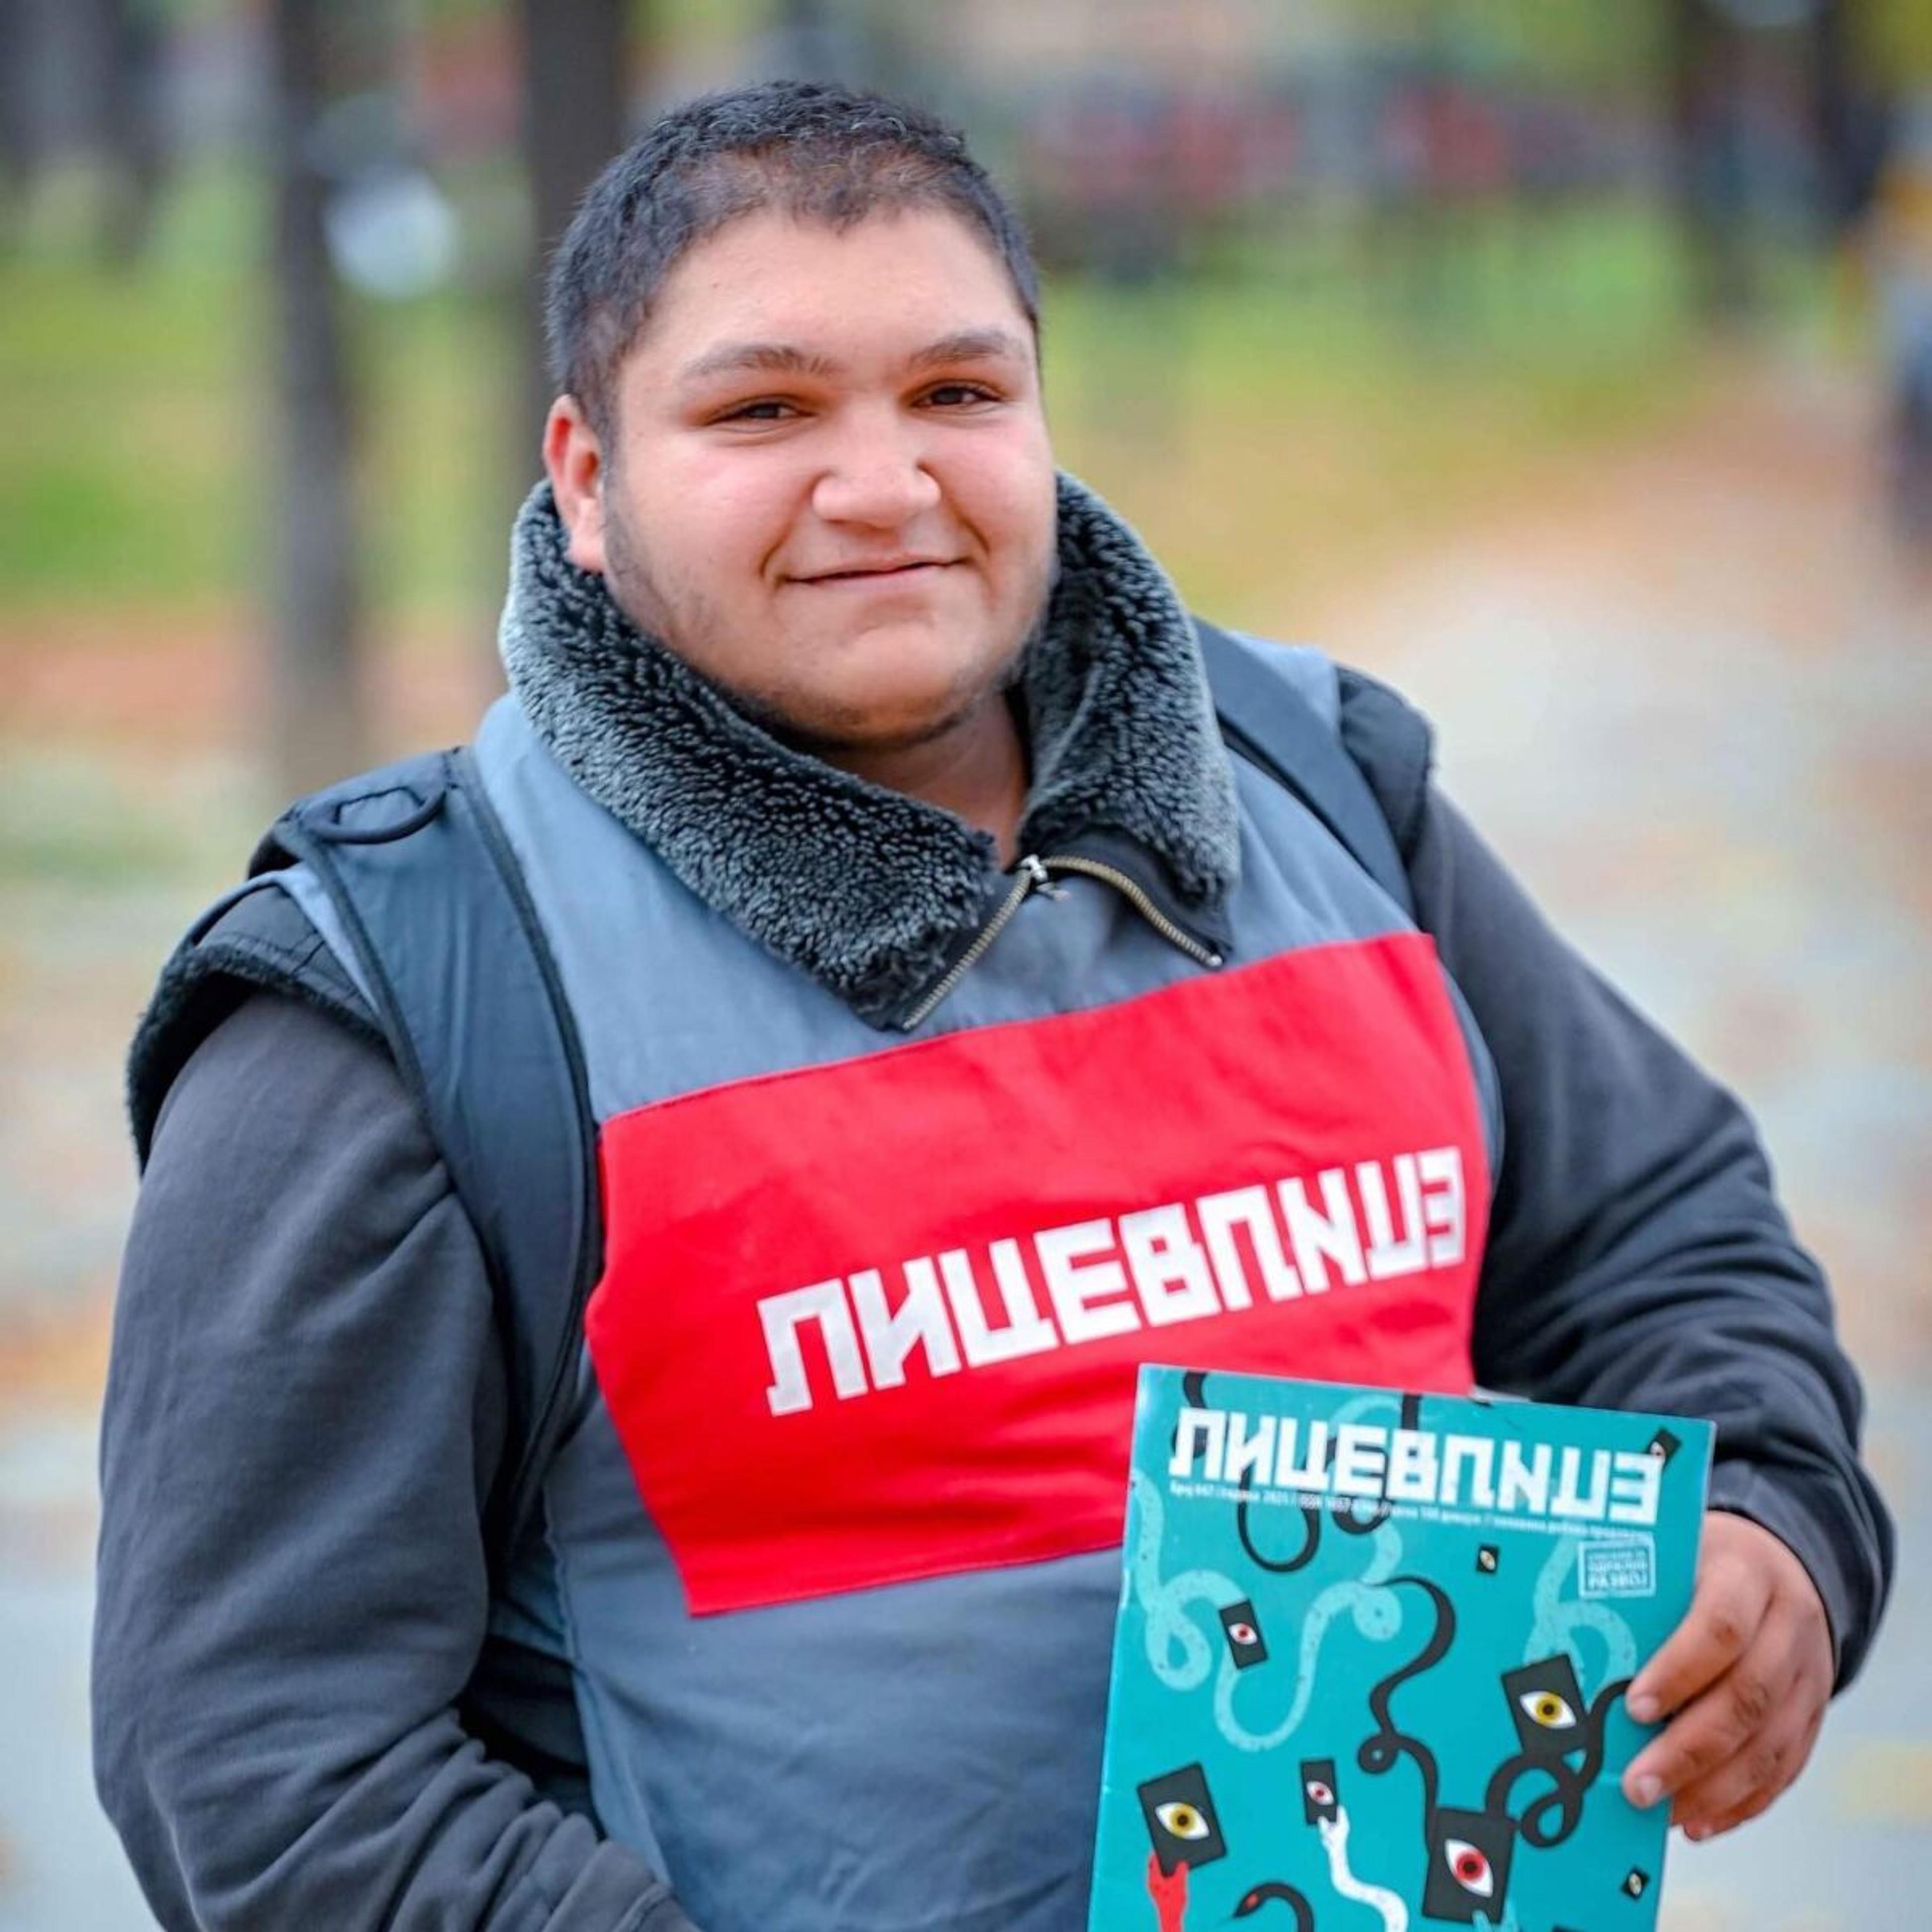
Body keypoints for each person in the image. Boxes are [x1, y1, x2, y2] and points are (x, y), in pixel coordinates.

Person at [94, 80, 1891, 1932]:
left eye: (959, 393)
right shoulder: (396, 997)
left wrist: (1771, 1522)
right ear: (584, 478)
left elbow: (1665, 1236)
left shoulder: (1333, 790)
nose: (885, 487)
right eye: (763, 409)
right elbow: (262, 1762)